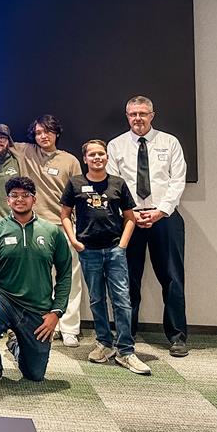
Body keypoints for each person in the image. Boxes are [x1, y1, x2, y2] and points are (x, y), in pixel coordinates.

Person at [60, 140, 151, 375]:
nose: (97, 157)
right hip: (88, 251)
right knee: (96, 299)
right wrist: (74, 240)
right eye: (92, 154)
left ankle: (126, 351)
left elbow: (130, 217)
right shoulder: (75, 183)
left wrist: (122, 245)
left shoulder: (117, 183)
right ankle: (104, 343)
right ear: (85, 158)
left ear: (107, 157)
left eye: (101, 153)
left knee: (121, 300)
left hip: (114, 250)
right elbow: (65, 214)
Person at [107, 95, 188, 357]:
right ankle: (125, 334)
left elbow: (177, 180)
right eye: (133, 114)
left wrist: (160, 211)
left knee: (172, 277)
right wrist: (130, 213)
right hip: (129, 219)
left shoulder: (169, 142)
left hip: (164, 218)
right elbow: (112, 184)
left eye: (143, 113)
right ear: (127, 116)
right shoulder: (116, 145)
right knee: (127, 279)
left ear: (152, 115)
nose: (138, 118)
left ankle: (177, 336)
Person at [0, 176, 71, 389]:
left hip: (37, 307)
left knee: (35, 374)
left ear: (34, 199)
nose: (20, 199)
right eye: (14, 195)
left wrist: (56, 312)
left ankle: (16, 346)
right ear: (8, 200)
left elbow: (65, 274)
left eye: (25, 195)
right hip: (4, 300)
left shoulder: (52, 232)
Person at [14, 114, 83, 347]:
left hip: (63, 225)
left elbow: (78, 195)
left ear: (56, 133)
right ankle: (46, 325)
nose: (43, 136)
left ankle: (70, 328)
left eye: (48, 131)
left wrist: (76, 228)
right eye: (38, 133)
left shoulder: (70, 160)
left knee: (69, 277)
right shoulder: (26, 152)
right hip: (35, 227)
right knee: (40, 280)